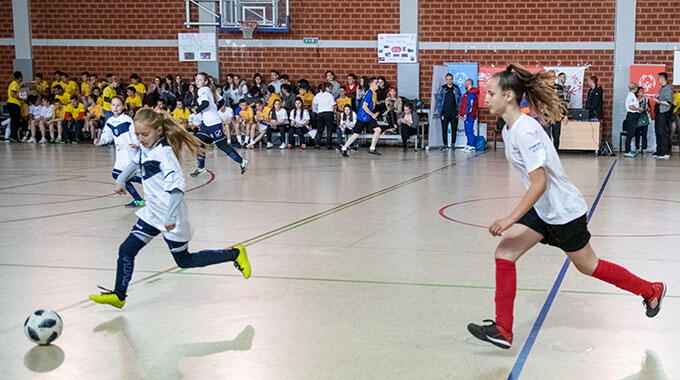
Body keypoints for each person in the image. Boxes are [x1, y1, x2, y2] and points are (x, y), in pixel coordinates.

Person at [467, 64, 666, 350]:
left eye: (491, 93)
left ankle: (651, 290)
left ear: (509, 96)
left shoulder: (524, 131)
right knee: (505, 253)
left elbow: (540, 183)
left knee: (588, 266)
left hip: (564, 213)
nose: (486, 98)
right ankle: (503, 329)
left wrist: (512, 217)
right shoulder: (511, 130)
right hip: (546, 210)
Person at [88, 107, 251, 309]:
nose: (140, 138)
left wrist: (171, 216)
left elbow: (176, 190)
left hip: (171, 215)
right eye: (137, 134)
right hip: (152, 214)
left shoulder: (165, 154)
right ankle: (119, 296)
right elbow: (134, 162)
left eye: (144, 134)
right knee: (126, 250)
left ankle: (235, 254)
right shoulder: (146, 149)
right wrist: (120, 180)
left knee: (184, 261)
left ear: (158, 130)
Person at [190, 72, 247, 177]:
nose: (197, 82)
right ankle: (201, 167)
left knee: (223, 146)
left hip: (213, 124)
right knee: (199, 143)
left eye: (200, 80)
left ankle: (242, 161)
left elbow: (205, 104)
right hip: (206, 124)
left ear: (205, 82)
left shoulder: (202, 90)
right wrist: (214, 109)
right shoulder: (210, 90)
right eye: (196, 80)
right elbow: (221, 101)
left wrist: (196, 110)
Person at [94, 96, 144, 207]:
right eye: (113, 105)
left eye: (118, 105)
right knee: (117, 175)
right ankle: (143, 186)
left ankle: (141, 193)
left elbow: (134, 133)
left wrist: (137, 143)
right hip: (120, 154)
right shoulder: (110, 121)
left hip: (130, 152)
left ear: (123, 106)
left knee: (120, 175)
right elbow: (107, 136)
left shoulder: (127, 119)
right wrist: (99, 141)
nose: (115, 108)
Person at [339, 77, 382, 156]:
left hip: (368, 116)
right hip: (363, 116)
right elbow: (364, 107)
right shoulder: (369, 93)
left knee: (378, 130)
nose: (378, 84)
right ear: (371, 84)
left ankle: (372, 148)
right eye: (376, 83)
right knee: (356, 134)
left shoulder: (374, 93)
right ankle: (344, 148)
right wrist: (372, 114)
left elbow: (372, 104)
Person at [437, 73, 461, 150]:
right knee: (444, 129)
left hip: (454, 112)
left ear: (452, 79)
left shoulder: (456, 88)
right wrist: (440, 112)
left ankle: (453, 144)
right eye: (447, 79)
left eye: (450, 79)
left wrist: (459, 111)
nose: (449, 81)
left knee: (454, 128)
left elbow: (460, 100)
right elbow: (439, 100)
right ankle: (445, 144)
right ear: (445, 80)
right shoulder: (442, 88)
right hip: (445, 112)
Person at [652, 72, 673, 159]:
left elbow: (668, 103)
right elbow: (660, 97)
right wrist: (657, 96)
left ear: (662, 78)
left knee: (662, 132)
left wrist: (658, 101)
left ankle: (665, 152)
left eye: (659, 78)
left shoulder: (667, 89)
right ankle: (659, 150)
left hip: (663, 114)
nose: (658, 80)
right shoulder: (662, 89)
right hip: (659, 113)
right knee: (658, 132)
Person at [313, 82, 337, 149]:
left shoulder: (318, 95)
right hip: (329, 113)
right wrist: (334, 113)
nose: (331, 89)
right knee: (329, 130)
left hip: (321, 113)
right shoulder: (330, 95)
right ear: (327, 88)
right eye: (330, 88)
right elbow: (333, 106)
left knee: (320, 129)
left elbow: (316, 104)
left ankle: (317, 144)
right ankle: (328, 145)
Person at [458, 78, 479, 152]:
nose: (464, 85)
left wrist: (467, 114)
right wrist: (461, 114)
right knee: (467, 130)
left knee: (469, 130)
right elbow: (464, 105)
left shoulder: (472, 93)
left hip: (470, 115)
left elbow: (470, 105)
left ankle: (472, 145)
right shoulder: (467, 93)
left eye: (465, 83)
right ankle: (468, 144)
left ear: (468, 83)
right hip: (466, 115)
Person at [622, 82, 642, 157]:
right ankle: (627, 151)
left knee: (631, 133)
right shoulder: (631, 95)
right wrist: (639, 109)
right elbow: (631, 107)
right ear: (635, 88)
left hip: (634, 116)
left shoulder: (632, 95)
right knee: (630, 134)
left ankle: (628, 150)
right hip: (632, 116)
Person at [6, 71, 23, 142]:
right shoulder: (14, 84)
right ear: (20, 77)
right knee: (14, 121)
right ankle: (13, 136)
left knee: (15, 121)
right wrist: (19, 98)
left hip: (14, 104)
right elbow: (12, 94)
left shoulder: (17, 84)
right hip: (13, 104)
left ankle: (14, 135)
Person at [634, 87, 651, 155]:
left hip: (644, 118)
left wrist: (648, 108)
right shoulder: (634, 100)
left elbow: (650, 109)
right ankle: (637, 148)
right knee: (637, 134)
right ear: (637, 93)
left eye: (643, 91)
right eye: (641, 91)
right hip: (637, 118)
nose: (642, 92)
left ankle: (644, 149)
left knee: (644, 134)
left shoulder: (646, 100)